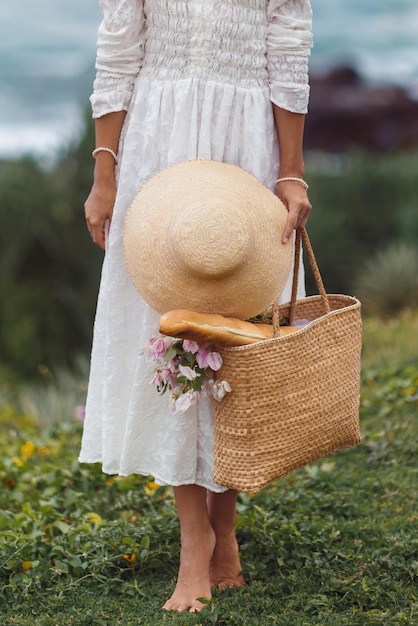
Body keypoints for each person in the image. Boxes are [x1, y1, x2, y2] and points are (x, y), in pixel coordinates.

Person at [80, 0, 313, 613]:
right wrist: (104, 172)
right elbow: (118, 51)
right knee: (172, 328)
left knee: (238, 333)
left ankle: (225, 522)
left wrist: (292, 173)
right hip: (158, 145)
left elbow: (288, 52)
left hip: (246, 146)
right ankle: (195, 539)